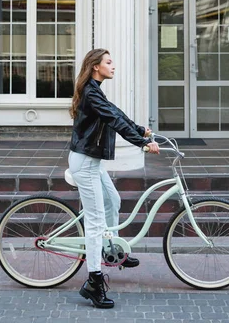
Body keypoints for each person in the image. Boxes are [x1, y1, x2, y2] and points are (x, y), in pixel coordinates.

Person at [68, 48, 160, 309]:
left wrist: (139, 128)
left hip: (90, 162)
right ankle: (94, 282)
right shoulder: (90, 92)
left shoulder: (95, 89)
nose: (114, 66)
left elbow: (115, 112)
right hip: (85, 164)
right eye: (109, 62)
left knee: (113, 200)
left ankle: (110, 251)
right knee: (96, 222)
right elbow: (112, 119)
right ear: (96, 66)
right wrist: (142, 143)